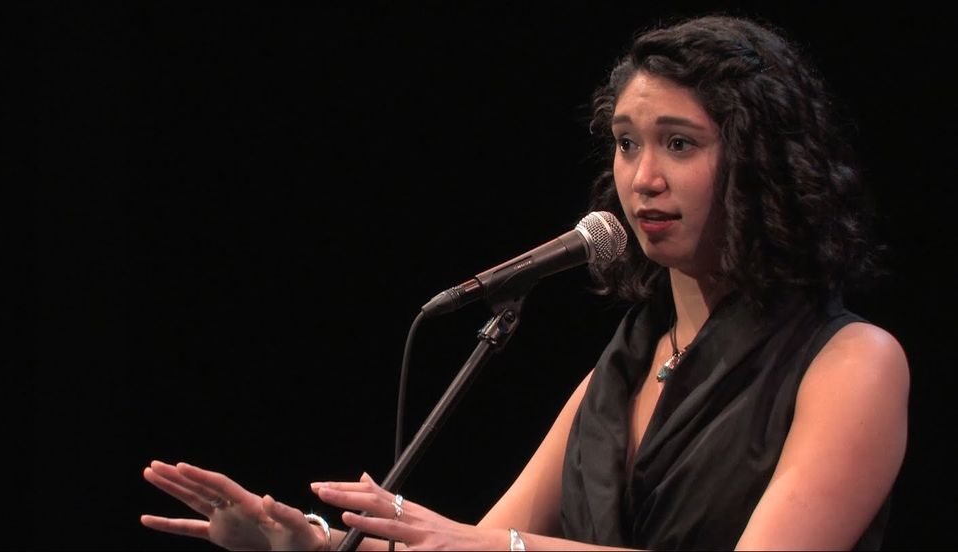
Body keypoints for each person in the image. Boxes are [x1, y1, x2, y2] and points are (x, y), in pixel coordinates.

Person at [141, 14, 908, 550]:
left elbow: (490, 547)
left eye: (679, 144)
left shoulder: (850, 363)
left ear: (761, 162)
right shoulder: (625, 365)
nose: (643, 178)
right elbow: (466, 545)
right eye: (626, 143)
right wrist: (307, 541)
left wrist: (509, 548)